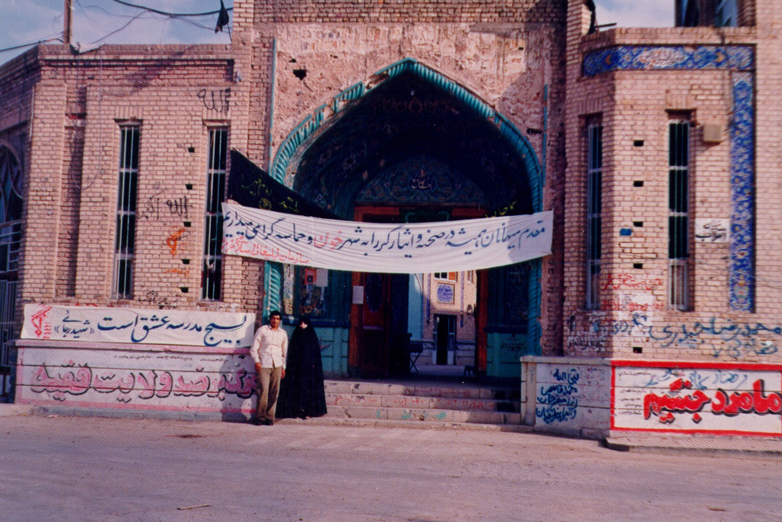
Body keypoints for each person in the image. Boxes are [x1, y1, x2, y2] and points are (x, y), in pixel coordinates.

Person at [276, 316, 328, 419]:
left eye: (305, 323)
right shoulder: (296, 336)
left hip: (309, 371)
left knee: (308, 390)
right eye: (301, 323)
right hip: (297, 370)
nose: (302, 325)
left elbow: (316, 355)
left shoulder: (312, 337)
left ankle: (308, 412)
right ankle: (296, 412)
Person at [249, 310, 288, 426]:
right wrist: (257, 362)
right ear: (270, 319)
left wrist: (283, 367)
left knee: (274, 392)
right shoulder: (262, 330)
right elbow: (253, 348)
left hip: (277, 365)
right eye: (273, 318)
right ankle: (260, 417)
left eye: (277, 318)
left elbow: (284, 352)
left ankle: (270, 417)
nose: (275, 320)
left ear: (280, 321)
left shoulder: (283, 333)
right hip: (264, 364)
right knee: (263, 391)